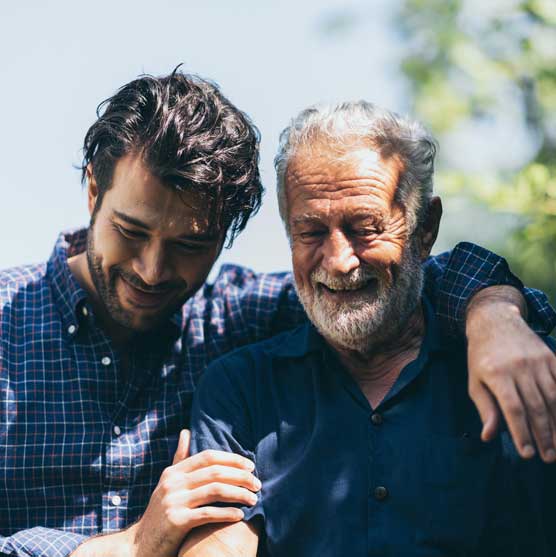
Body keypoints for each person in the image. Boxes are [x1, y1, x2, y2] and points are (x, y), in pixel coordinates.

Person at [0, 71, 554, 557]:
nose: (151, 270)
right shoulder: (7, 323)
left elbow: (399, 281)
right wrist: (127, 547)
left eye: (190, 245)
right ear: (94, 190)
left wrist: (496, 314)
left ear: (225, 238)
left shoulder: (239, 319)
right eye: (131, 231)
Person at [181, 101, 556, 556]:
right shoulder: (240, 389)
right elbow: (218, 546)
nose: (339, 261)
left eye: (364, 228)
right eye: (311, 232)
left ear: (425, 229)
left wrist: (497, 311)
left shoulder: (518, 367)